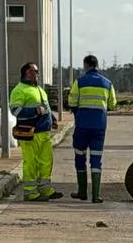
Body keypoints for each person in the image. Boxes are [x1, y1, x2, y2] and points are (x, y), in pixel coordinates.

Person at [67, 54, 117, 202]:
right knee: (96, 159)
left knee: (80, 156)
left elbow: (72, 101)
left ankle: (82, 192)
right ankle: (96, 196)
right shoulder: (107, 83)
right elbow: (112, 104)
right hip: (99, 127)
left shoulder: (80, 82)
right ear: (97, 65)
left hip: (82, 125)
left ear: (86, 65)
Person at [9, 62, 62, 202]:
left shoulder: (39, 89)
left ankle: (45, 189)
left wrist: (52, 119)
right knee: (31, 163)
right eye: (35, 71)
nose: (37, 74)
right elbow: (16, 111)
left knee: (45, 162)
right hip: (30, 133)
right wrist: (35, 111)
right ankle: (30, 192)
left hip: (44, 133)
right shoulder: (19, 90)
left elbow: (46, 107)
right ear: (27, 73)